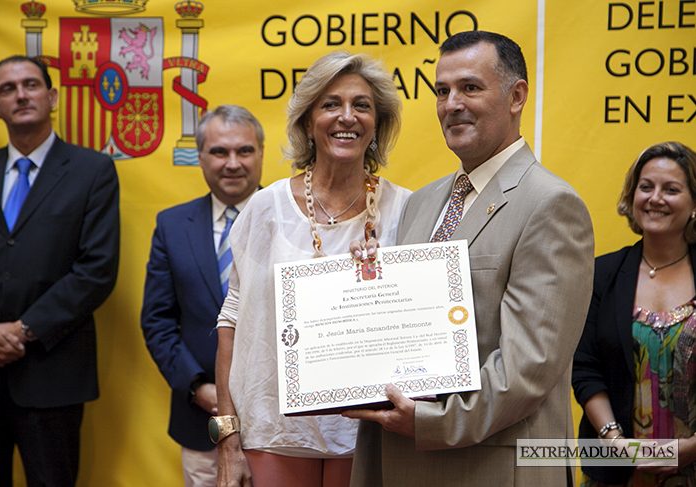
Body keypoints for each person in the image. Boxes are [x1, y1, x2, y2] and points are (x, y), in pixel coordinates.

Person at [345, 30, 595, 486]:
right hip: (401, 461)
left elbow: (528, 367)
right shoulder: (421, 202)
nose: (451, 104)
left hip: (491, 467)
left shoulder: (551, 204)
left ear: (516, 96)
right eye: (442, 91)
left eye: (470, 88)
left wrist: (428, 421)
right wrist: (367, 289)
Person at [213, 51, 411, 487]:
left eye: (362, 105)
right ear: (307, 121)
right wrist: (227, 439)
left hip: (369, 433)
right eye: (330, 104)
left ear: (377, 123)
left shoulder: (407, 210)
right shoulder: (265, 210)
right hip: (274, 433)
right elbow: (231, 323)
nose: (347, 117)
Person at [0, 55, 120, 486]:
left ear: (51, 96)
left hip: (52, 373)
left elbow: (97, 269)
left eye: (31, 85)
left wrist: (23, 329)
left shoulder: (93, 171)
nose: (21, 95)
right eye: (8, 89)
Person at [141, 104, 264, 487]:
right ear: (199, 158)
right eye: (219, 151)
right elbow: (157, 321)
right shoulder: (172, 225)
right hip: (201, 420)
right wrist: (198, 388)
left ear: (261, 154)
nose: (233, 163)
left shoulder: (291, 219)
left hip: (277, 416)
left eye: (244, 151)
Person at [572, 142, 696, 486]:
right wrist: (615, 441)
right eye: (646, 187)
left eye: (671, 189)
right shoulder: (602, 274)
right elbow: (584, 368)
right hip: (617, 473)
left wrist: (693, 448)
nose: (655, 198)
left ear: (694, 203)